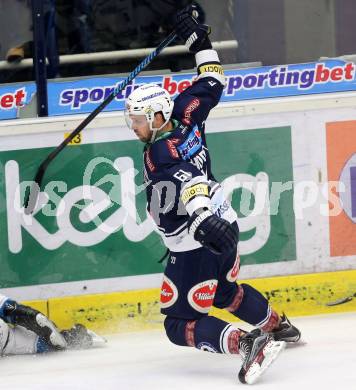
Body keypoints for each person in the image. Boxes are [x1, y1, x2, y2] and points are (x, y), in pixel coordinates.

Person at [124, 6, 301, 385]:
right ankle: (277, 325)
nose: (133, 126)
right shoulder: (187, 111)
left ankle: (244, 342)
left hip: (197, 238)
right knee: (223, 292)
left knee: (177, 323)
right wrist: (199, 41)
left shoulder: (159, 152)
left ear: (157, 117)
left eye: (138, 119)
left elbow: (190, 184)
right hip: (225, 224)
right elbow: (214, 79)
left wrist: (202, 220)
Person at [0, 293, 104, 355]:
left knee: (45, 343)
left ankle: (69, 338)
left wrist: (24, 313)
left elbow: (8, 307)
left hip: (9, 339)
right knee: (45, 342)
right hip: (9, 340)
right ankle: (68, 337)